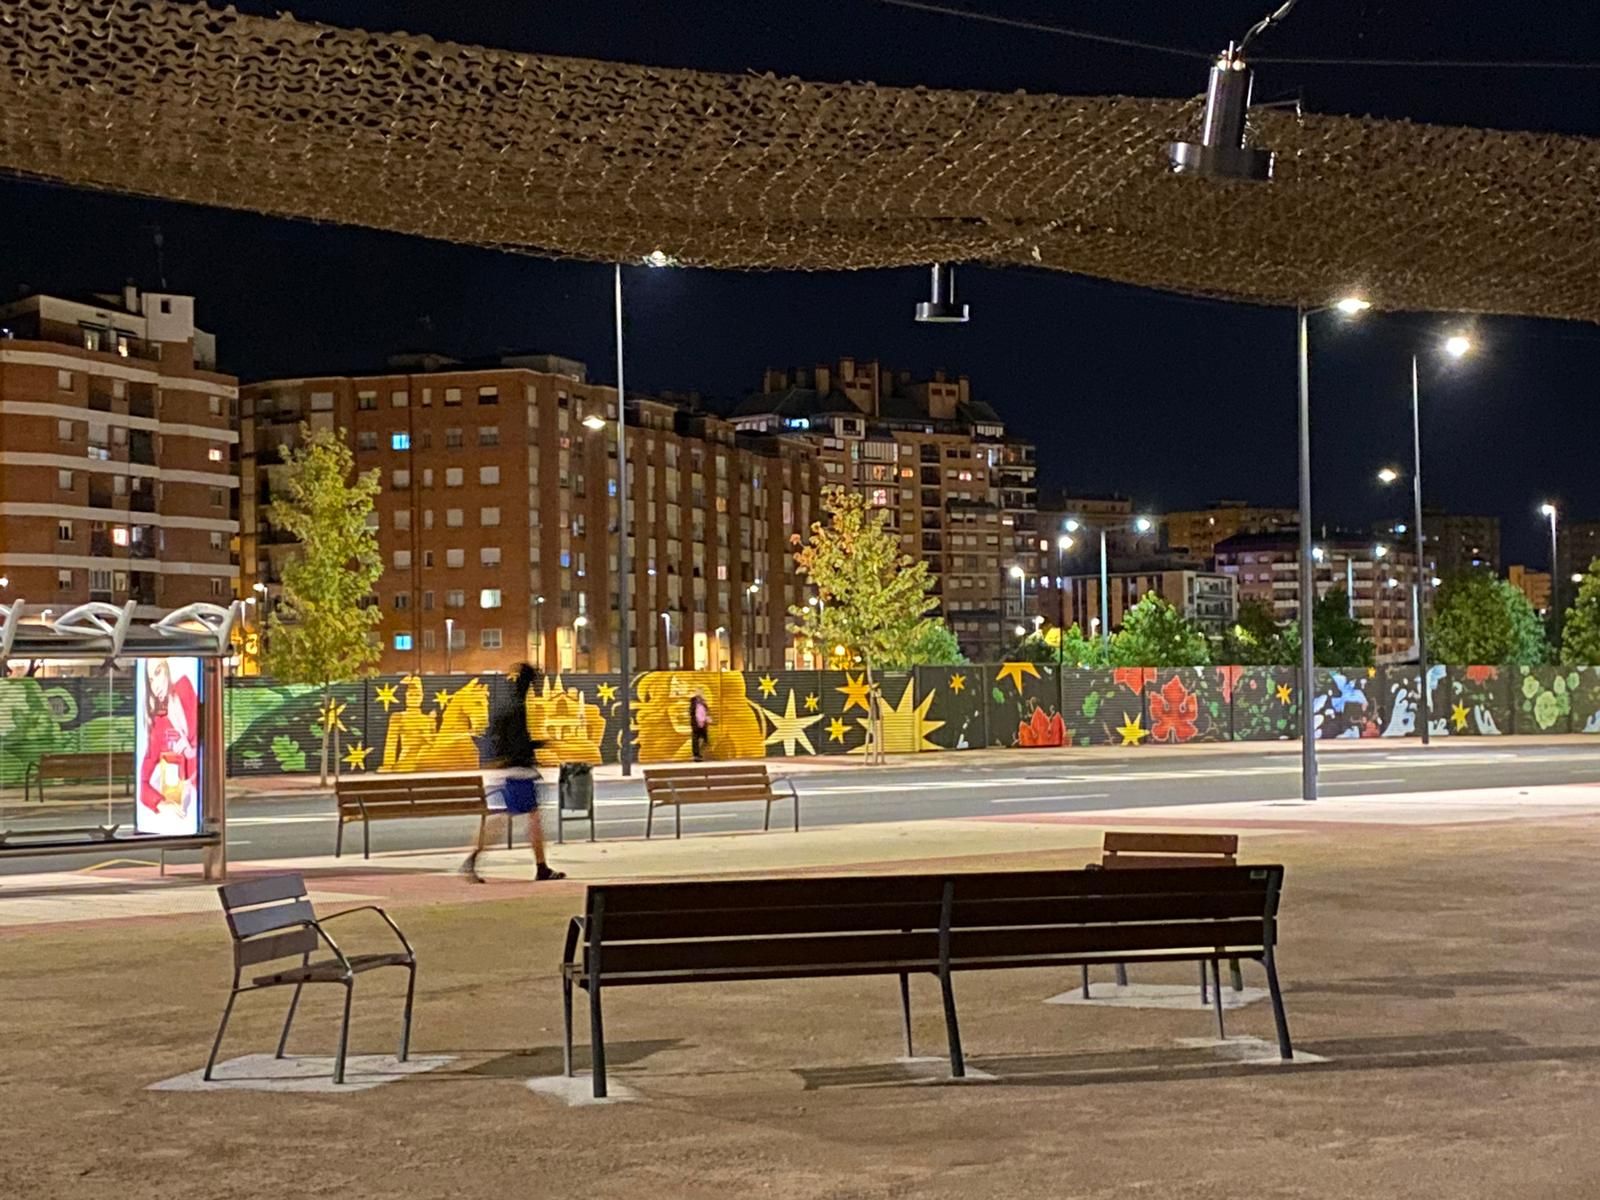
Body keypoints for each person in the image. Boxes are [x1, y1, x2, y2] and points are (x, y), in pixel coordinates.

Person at [462, 663, 565, 884]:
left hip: (512, 771)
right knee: (527, 820)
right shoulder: (519, 708)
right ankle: (540, 867)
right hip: (521, 772)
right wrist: (539, 745)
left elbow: (500, 739)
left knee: (509, 819)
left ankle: (475, 858)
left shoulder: (507, 706)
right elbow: (519, 744)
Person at [689, 691, 712, 761]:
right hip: (699, 726)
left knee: (701, 740)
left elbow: (703, 714)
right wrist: (701, 723)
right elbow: (699, 716)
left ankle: (698, 754)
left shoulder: (700, 705)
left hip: (699, 725)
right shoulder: (697, 705)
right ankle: (698, 755)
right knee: (700, 740)